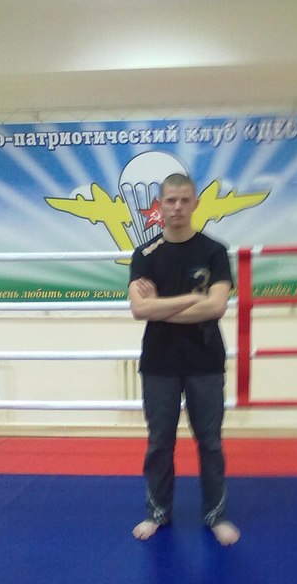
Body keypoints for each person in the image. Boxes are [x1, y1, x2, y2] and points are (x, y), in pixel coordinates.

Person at [128, 172, 240, 546]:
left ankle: (215, 515)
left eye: (184, 200)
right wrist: (193, 299)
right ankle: (157, 512)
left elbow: (217, 306)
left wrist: (161, 306)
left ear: (194, 203)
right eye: (170, 201)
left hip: (205, 360)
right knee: (160, 443)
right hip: (159, 362)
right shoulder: (144, 255)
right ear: (160, 206)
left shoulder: (214, 252)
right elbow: (139, 310)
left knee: (210, 442)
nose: (177, 207)